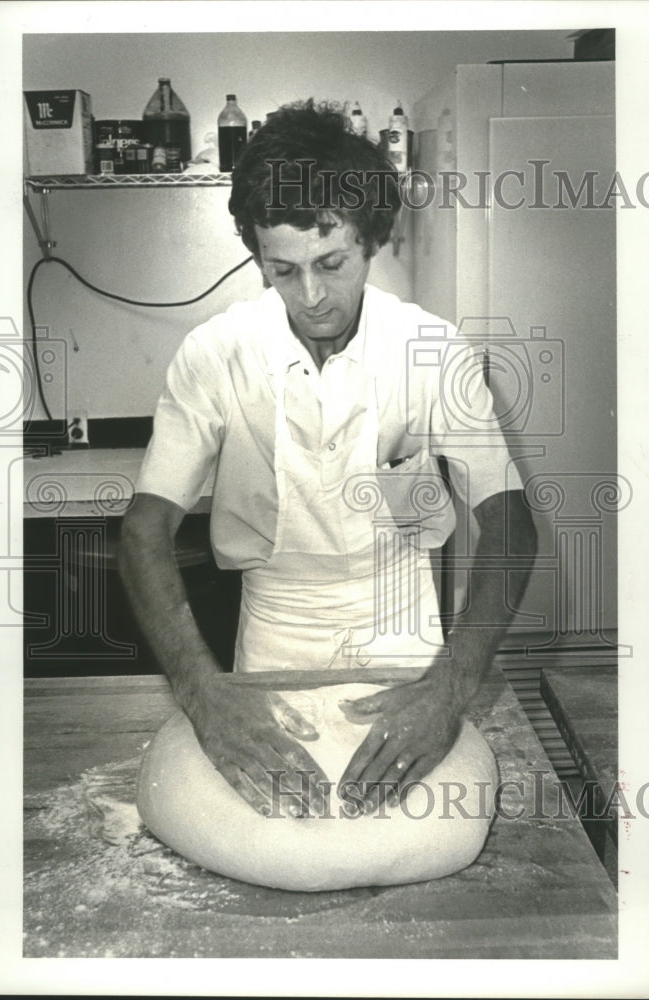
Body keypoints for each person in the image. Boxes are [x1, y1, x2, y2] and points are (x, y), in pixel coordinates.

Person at [119, 100, 537, 821]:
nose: (310, 296)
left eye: (330, 263)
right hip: (276, 630)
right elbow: (142, 532)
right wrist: (204, 693)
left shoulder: (431, 350)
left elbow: (512, 527)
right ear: (258, 258)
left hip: (405, 632)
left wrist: (450, 685)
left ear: (371, 240)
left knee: (417, 826)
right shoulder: (216, 356)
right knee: (274, 823)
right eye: (281, 271)